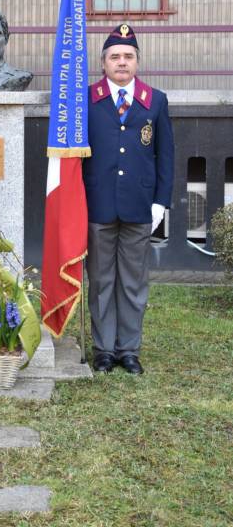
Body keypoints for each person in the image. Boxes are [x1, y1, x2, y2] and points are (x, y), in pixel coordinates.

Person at [83, 24, 174, 375]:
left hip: (140, 207)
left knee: (134, 282)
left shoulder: (155, 101)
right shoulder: (89, 100)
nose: (122, 62)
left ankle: (128, 349)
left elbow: (165, 155)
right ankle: (104, 350)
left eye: (128, 56)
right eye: (115, 57)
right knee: (102, 280)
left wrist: (160, 203)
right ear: (103, 63)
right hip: (99, 205)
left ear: (137, 62)